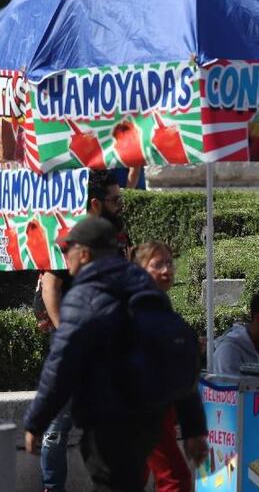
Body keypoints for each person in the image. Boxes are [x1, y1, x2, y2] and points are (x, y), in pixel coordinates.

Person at [24, 218, 205, 490]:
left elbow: (61, 363)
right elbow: (178, 359)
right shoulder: (148, 290)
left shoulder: (84, 296)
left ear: (85, 254)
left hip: (107, 423)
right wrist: (193, 426)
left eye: (68, 250)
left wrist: (35, 421)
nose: (64, 257)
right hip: (149, 421)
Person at [37, 168, 126, 492]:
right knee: (58, 421)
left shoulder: (116, 235)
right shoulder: (69, 237)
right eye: (115, 200)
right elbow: (51, 288)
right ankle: (52, 486)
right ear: (95, 204)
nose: (120, 205)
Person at [132, 242, 210, 492]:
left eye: (169, 262)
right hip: (139, 414)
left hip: (156, 413)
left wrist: (193, 430)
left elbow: (182, 374)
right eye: (157, 264)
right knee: (175, 479)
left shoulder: (162, 311)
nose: (166, 270)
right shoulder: (131, 312)